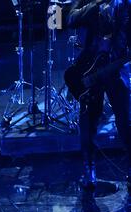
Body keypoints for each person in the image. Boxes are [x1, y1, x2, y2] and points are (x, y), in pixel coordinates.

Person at [67, 0, 131, 192]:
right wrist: (96, 4)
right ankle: (89, 170)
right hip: (90, 65)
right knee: (88, 116)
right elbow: (70, 19)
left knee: (125, 121)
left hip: (117, 66)